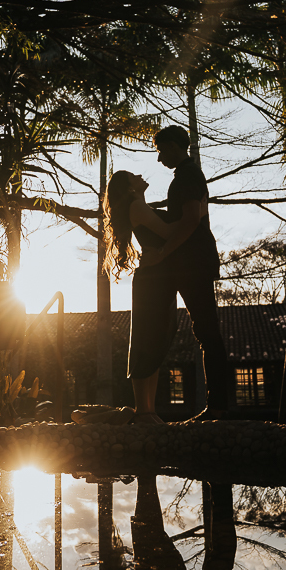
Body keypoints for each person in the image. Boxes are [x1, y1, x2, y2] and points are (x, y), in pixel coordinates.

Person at [143, 124, 228, 419]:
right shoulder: (185, 175)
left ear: (175, 147)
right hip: (189, 263)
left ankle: (219, 406)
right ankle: (219, 405)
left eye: (161, 151)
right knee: (204, 331)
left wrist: (163, 253)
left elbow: (191, 220)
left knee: (207, 331)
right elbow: (183, 218)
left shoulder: (189, 175)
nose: (159, 159)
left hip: (194, 263)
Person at [103, 170, 178, 423]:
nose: (140, 175)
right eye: (134, 176)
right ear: (129, 187)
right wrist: (196, 216)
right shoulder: (136, 206)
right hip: (151, 278)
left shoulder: (140, 205)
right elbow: (168, 231)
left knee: (156, 340)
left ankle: (149, 410)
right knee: (146, 338)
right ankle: (143, 410)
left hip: (158, 276)